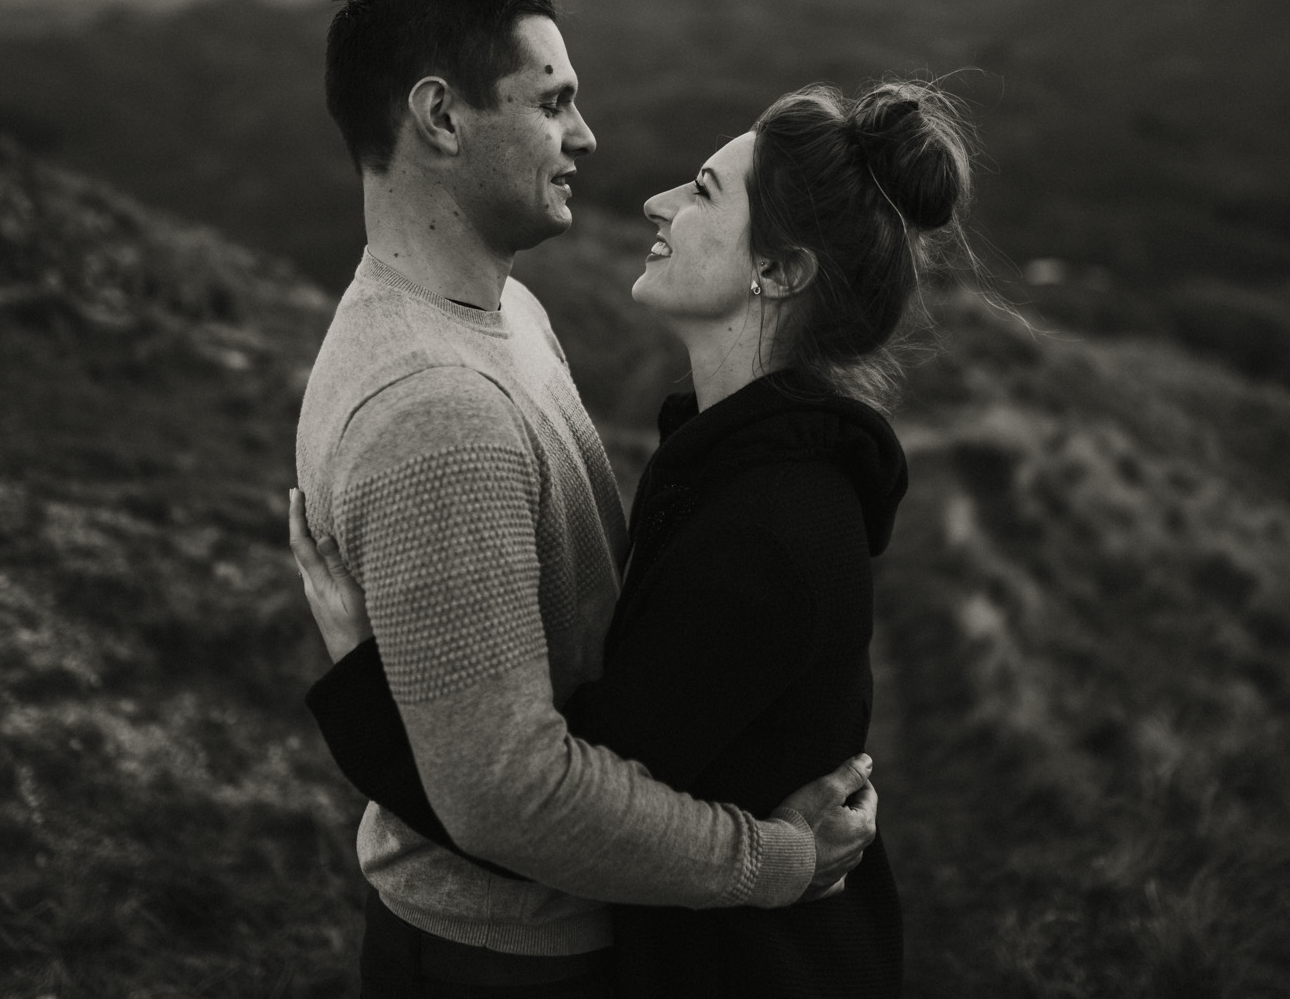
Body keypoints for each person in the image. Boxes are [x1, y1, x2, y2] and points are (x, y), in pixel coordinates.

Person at [290, 71, 978, 996]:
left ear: (777, 271)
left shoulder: (764, 530)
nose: (656, 200)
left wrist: (361, 677)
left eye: (702, 192)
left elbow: (549, 818)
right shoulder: (726, 458)